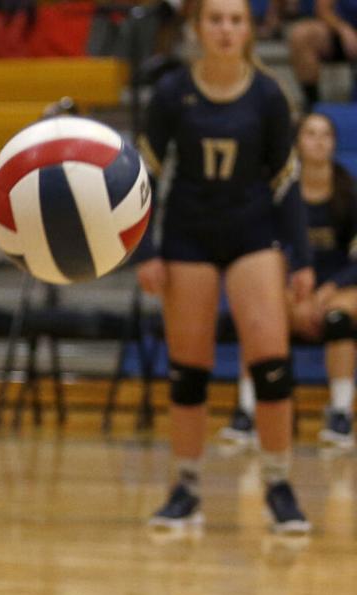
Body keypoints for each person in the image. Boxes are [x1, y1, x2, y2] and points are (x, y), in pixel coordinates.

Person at [136, 0, 313, 534]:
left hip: (253, 234)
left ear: (249, 29)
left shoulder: (267, 94)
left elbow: (285, 181)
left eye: (236, 20)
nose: (226, 29)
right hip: (188, 235)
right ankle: (186, 488)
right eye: (216, 19)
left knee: (270, 362)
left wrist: (300, 258)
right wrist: (148, 250)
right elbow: (143, 175)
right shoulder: (171, 94)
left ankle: (279, 485)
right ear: (197, 28)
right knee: (189, 369)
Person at [222, 110, 356, 450]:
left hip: (337, 289)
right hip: (288, 289)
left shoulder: (348, 193)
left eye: (326, 134)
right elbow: (270, 251)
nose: (319, 141)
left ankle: (340, 414)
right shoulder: (279, 194)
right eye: (310, 134)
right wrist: (291, 293)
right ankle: (248, 411)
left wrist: (325, 292)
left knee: (339, 320)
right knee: (259, 317)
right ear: (297, 143)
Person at [288, 0, 357, 108]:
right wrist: (343, 30)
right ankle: (313, 105)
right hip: (345, 33)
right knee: (301, 35)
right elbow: (323, 10)